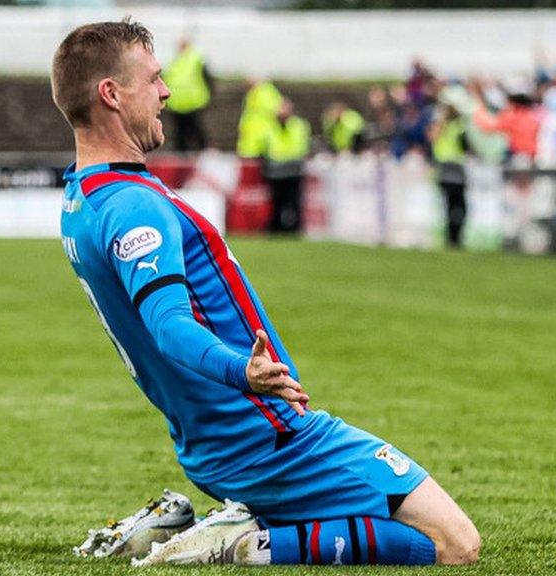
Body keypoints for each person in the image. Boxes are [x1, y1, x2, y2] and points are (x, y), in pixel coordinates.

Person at [51, 19, 480, 567]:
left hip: (212, 442)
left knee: (378, 521)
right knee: (454, 544)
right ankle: (246, 542)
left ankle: (205, 521)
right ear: (111, 94)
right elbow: (169, 326)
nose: (167, 92)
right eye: (154, 80)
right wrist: (244, 373)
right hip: (268, 436)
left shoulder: (81, 198)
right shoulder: (133, 207)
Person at [263, 98, 311, 233]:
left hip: (293, 168)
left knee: (294, 200)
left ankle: (295, 227)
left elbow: (301, 145)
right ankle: (277, 226)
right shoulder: (270, 126)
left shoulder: (298, 125)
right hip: (276, 169)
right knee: (277, 201)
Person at [428, 104, 470, 248]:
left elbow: (432, 142)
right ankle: (455, 238)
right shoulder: (458, 126)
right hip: (456, 168)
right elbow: (465, 146)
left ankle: (450, 238)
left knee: (448, 206)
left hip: (442, 168)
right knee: (459, 206)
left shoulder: (439, 126)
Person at [162, 38, 213, 152]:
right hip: (177, 105)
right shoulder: (174, 62)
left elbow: (208, 79)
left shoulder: (197, 59)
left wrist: (208, 96)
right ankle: (182, 160)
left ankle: (203, 156)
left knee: (197, 132)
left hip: (194, 103)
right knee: (180, 134)